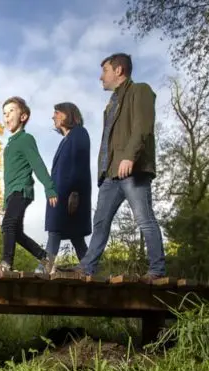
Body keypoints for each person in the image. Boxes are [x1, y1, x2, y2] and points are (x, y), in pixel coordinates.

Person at [63, 53, 166, 278]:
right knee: (100, 222)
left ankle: (157, 269)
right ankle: (87, 267)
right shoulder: (111, 104)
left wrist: (129, 156)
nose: (101, 77)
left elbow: (143, 126)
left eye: (105, 71)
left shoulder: (140, 90)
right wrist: (103, 172)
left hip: (132, 170)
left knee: (144, 219)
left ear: (118, 70)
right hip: (110, 175)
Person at [0, 96, 57, 274]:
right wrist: (5, 201)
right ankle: (46, 259)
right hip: (12, 193)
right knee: (15, 232)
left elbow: (37, 164)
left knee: (7, 225)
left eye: (11, 111)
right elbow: (8, 177)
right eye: (4, 113)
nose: (7, 116)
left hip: (22, 190)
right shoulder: (9, 146)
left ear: (23, 117)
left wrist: (49, 187)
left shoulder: (26, 139)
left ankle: (6, 264)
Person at [44, 102, 91, 267]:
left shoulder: (79, 133)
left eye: (57, 112)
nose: (53, 116)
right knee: (76, 236)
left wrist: (75, 192)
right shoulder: (66, 139)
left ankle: (44, 267)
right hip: (61, 194)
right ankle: (89, 268)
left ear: (68, 114)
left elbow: (80, 164)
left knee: (56, 231)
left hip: (69, 195)